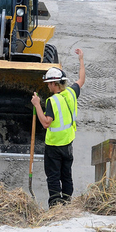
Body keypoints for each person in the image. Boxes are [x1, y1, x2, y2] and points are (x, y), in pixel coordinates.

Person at [31, 49, 85, 208]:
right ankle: (67, 203)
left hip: (54, 146)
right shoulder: (71, 93)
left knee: (53, 177)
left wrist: (36, 105)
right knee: (66, 175)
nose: (47, 86)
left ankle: (55, 206)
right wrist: (81, 60)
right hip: (68, 144)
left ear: (54, 84)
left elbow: (46, 123)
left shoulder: (52, 102)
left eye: (48, 83)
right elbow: (81, 80)